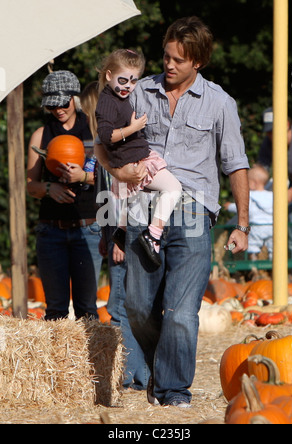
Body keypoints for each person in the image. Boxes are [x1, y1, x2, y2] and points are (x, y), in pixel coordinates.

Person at [95, 16, 250, 408]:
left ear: (197, 62)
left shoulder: (220, 103)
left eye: (178, 60)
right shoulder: (137, 91)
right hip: (141, 207)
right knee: (137, 307)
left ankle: (173, 391)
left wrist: (242, 224)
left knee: (181, 312)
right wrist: (117, 171)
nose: (168, 65)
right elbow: (105, 142)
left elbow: (236, 164)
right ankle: (158, 374)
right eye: (165, 56)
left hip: (195, 212)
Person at [81, 81, 150, 390]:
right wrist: (106, 234)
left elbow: (126, 194)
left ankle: (129, 374)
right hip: (115, 232)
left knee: (121, 307)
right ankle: (138, 373)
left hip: (126, 233)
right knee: (127, 304)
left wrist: (119, 235)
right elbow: (107, 196)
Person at [95, 49, 182, 267]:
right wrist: (132, 128)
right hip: (133, 160)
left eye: (133, 81)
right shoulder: (107, 101)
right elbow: (105, 136)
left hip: (134, 156)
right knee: (173, 189)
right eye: (123, 80)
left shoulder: (117, 96)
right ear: (108, 75)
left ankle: (122, 231)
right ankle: (153, 234)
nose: (128, 86)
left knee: (137, 198)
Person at [27, 70, 102, 320]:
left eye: (63, 102)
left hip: (89, 229)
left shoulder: (93, 130)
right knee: (56, 311)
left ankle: (88, 361)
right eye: (52, 104)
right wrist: (51, 189)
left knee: (87, 310)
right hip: (51, 232)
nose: (58, 109)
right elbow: (31, 185)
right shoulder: (41, 135)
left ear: (74, 97)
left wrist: (83, 177)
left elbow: (111, 179)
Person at [257, 107, 292, 277]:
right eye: (268, 133)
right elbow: (261, 170)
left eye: (274, 131)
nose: (271, 136)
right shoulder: (269, 143)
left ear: (287, 124)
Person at [225, 165, 273, 260]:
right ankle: (274, 263)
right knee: (272, 246)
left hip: (256, 227)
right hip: (271, 227)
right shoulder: (272, 195)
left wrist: (229, 206)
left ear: (254, 183)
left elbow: (243, 207)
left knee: (253, 245)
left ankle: (253, 263)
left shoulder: (250, 196)